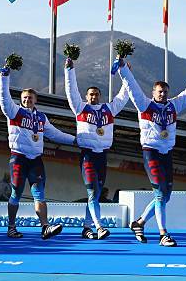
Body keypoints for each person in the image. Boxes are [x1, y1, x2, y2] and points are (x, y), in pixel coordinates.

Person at [117, 57, 186, 247]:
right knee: (160, 194)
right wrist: (123, 70)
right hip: (150, 151)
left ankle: (139, 222)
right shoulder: (144, 104)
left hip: (167, 153)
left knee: (165, 196)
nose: (163, 94)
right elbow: (132, 85)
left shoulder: (173, 106)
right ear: (153, 92)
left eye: (165, 92)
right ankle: (163, 235)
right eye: (160, 92)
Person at [0, 65, 77, 239]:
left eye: (31, 98)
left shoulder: (41, 117)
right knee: (16, 193)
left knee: (39, 194)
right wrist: (4, 78)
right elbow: (4, 99)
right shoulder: (14, 112)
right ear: (20, 100)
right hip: (18, 158)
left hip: (36, 160)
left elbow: (54, 133)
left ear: (36, 100)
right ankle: (11, 227)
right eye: (25, 98)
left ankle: (45, 227)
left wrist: (74, 140)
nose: (27, 100)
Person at [64, 57, 129, 240]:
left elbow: (124, 96)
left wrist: (127, 74)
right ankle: (99, 227)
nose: (93, 97)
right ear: (86, 97)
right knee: (92, 192)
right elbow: (71, 91)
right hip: (88, 156)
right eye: (90, 94)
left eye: (96, 94)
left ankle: (86, 227)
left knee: (96, 194)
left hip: (103, 157)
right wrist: (69, 70)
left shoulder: (109, 109)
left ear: (100, 95)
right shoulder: (80, 108)